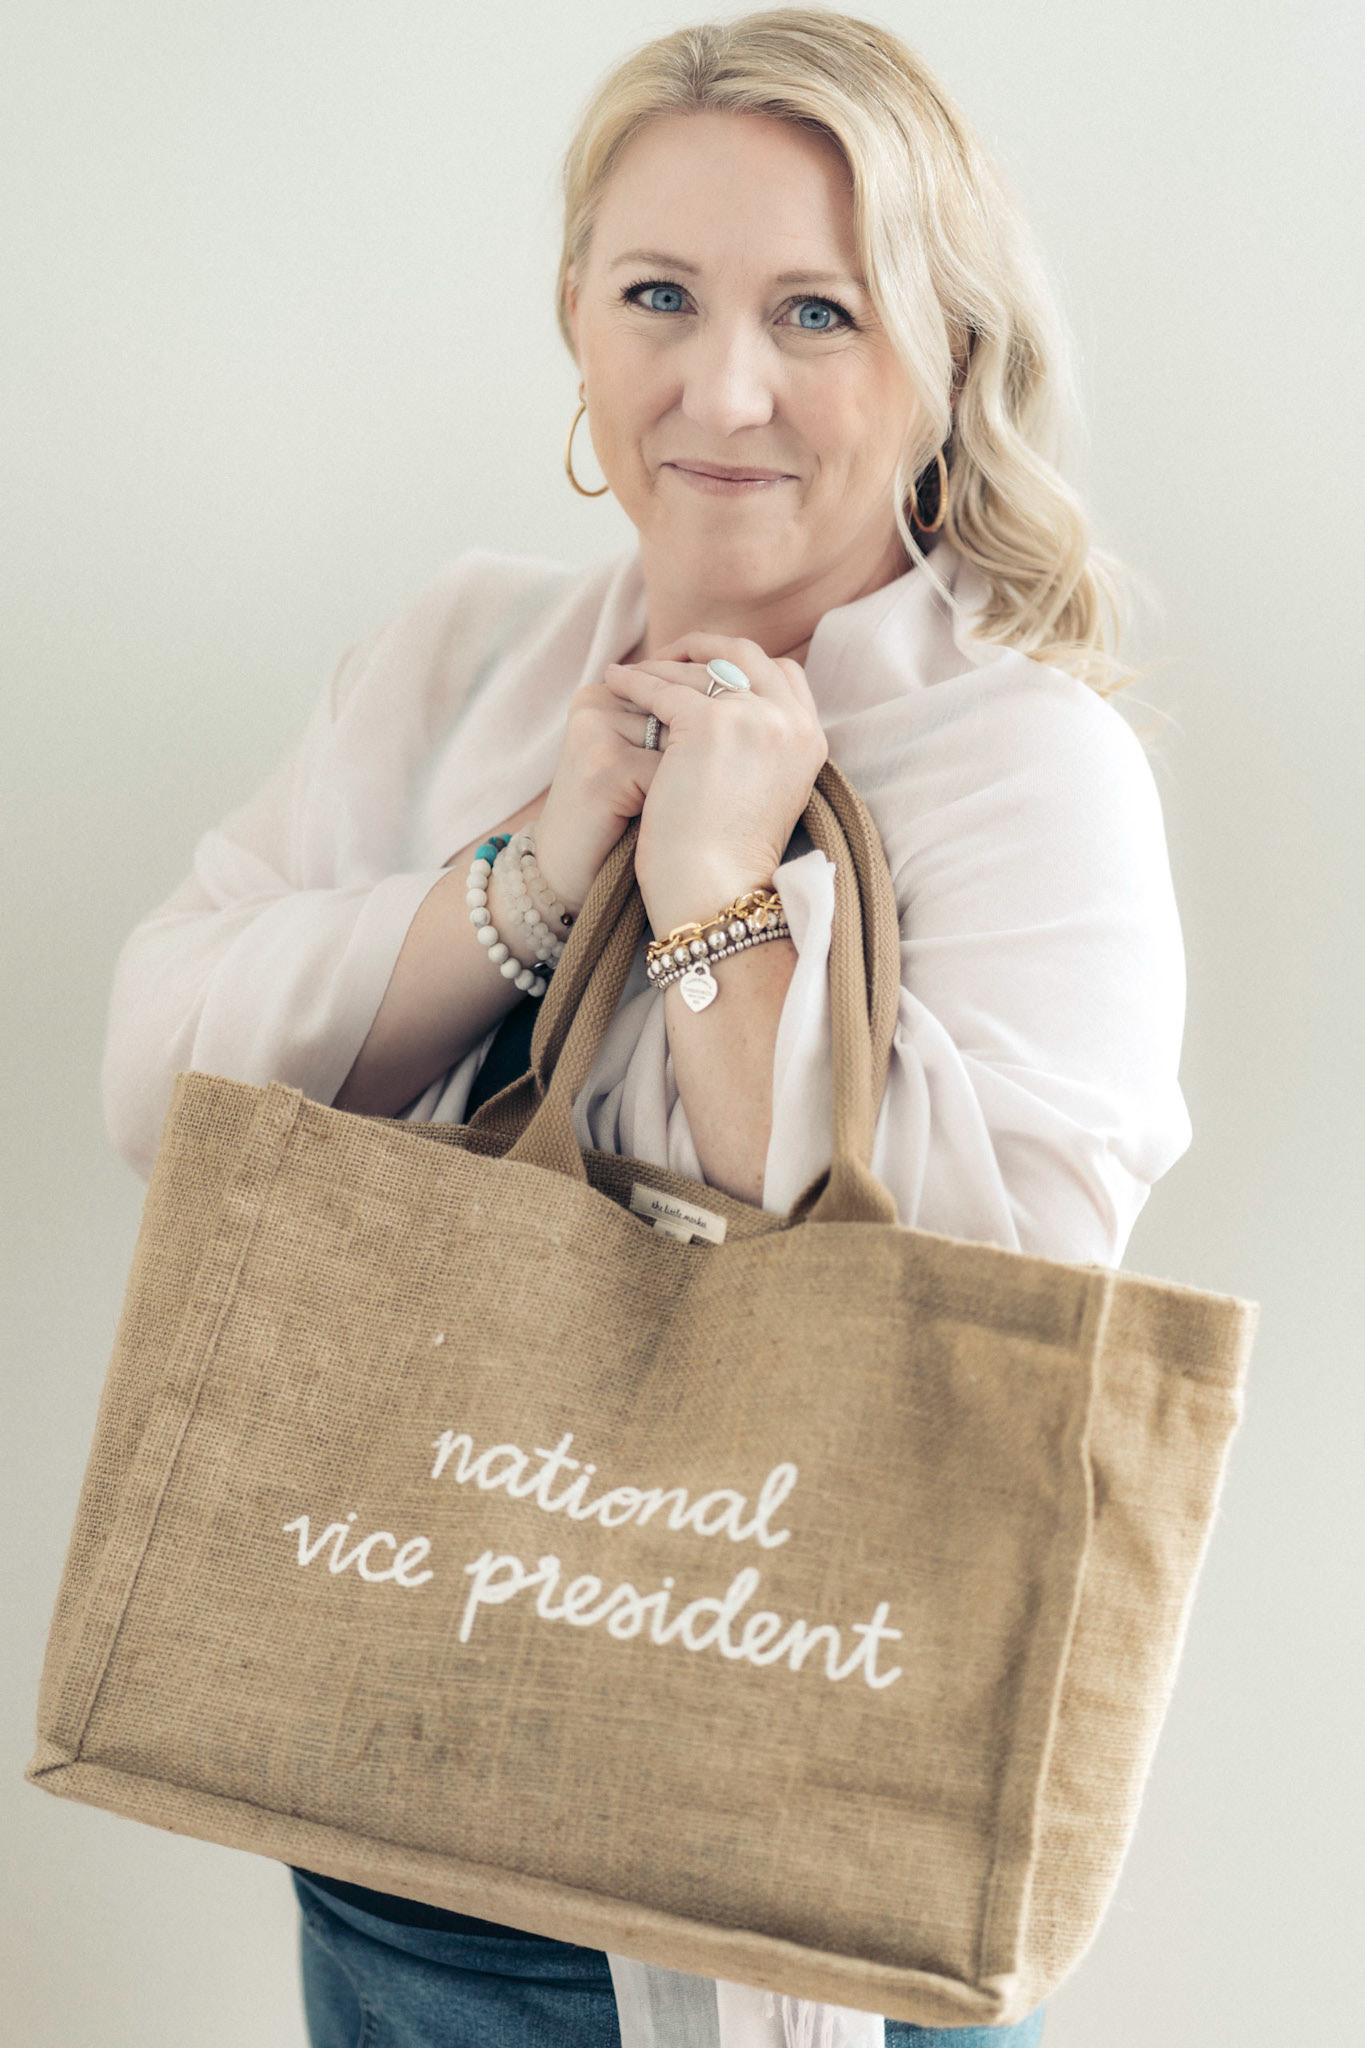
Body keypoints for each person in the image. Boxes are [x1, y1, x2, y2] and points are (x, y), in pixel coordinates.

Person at [100, 11, 1193, 2046]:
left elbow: (990, 1315)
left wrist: (710, 905)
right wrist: (531, 877)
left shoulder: (1023, 762)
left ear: (944, 352)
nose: (722, 388)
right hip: (388, 1843)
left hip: (785, 1906)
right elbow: (167, 1089)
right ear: (573, 320)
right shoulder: (465, 653)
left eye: (814, 312)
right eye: (658, 297)